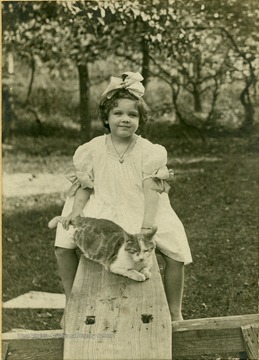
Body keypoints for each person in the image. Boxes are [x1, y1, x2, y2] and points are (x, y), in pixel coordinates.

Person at [54, 71, 192, 322]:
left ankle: (175, 311)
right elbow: (85, 186)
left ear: (141, 119)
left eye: (132, 114)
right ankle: (71, 302)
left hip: (141, 205)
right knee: (63, 243)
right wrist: (76, 212)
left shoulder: (149, 151)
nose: (125, 119)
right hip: (101, 204)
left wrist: (148, 223)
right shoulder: (92, 149)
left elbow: (151, 190)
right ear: (106, 117)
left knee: (176, 252)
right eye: (118, 113)